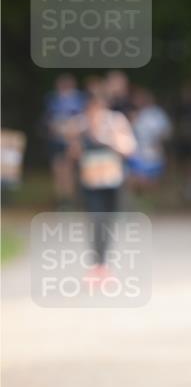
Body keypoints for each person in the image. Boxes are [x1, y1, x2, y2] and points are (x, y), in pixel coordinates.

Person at [66, 92, 136, 281]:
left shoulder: (115, 123)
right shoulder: (81, 125)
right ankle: (98, 265)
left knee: (108, 223)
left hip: (112, 182)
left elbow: (129, 148)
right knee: (96, 222)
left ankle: (103, 264)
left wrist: (110, 139)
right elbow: (73, 152)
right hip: (91, 183)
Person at [43, 73, 86, 208]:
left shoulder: (80, 99)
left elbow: (84, 119)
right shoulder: (53, 99)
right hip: (57, 141)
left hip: (73, 142)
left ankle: (72, 200)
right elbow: (49, 120)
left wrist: (72, 132)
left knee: (72, 171)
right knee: (59, 171)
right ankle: (63, 200)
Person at [126, 87, 172, 192]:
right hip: (137, 154)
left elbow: (166, 132)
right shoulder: (135, 114)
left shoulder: (157, 114)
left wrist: (158, 140)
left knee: (151, 183)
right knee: (134, 180)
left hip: (153, 155)